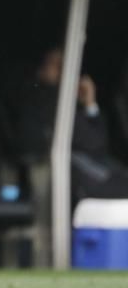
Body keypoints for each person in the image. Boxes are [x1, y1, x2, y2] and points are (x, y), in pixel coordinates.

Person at [18, 47, 128, 200]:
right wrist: (90, 102)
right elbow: (95, 143)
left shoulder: (66, 101)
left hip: (91, 169)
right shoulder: (46, 100)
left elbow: (98, 145)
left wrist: (90, 106)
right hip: (66, 169)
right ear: (40, 71)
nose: (62, 68)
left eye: (64, 63)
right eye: (54, 64)